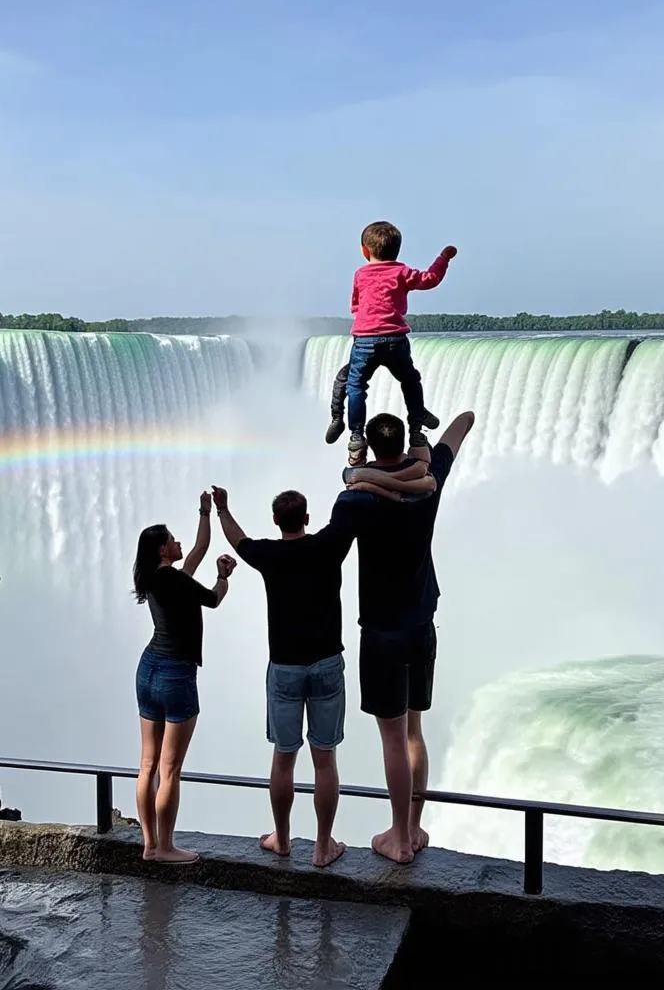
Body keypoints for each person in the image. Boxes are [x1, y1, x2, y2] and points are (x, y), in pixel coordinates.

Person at [329, 409, 475, 864]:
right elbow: (464, 422)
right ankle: (412, 827)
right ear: (402, 446)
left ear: (370, 448)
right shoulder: (427, 483)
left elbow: (327, 553)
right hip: (420, 626)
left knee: (392, 737)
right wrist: (426, 435)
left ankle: (399, 840)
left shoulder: (355, 501)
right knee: (414, 731)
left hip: (381, 630)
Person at [211, 484, 352, 868]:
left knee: (284, 758)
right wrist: (352, 482)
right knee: (325, 761)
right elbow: (347, 519)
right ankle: (323, 848)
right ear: (307, 518)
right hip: (326, 664)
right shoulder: (328, 545)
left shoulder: (269, 555)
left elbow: (238, 541)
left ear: (276, 521)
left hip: (285, 669)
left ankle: (284, 840)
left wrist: (223, 508)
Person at [132, 491, 237, 864]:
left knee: (147, 765)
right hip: (176, 675)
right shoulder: (176, 581)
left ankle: (148, 844)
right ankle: (165, 847)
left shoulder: (156, 578)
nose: (179, 543)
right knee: (170, 769)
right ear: (163, 549)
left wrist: (205, 512)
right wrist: (224, 577)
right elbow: (213, 598)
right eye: (172, 540)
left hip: (148, 670)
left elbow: (199, 547)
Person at [331, 220, 458, 465]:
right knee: (410, 381)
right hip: (395, 340)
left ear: (364, 251)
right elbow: (430, 279)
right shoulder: (401, 272)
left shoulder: (360, 274)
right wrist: (444, 258)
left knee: (356, 386)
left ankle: (356, 437)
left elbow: (355, 305)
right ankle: (416, 429)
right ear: (397, 250)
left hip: (365, 340)